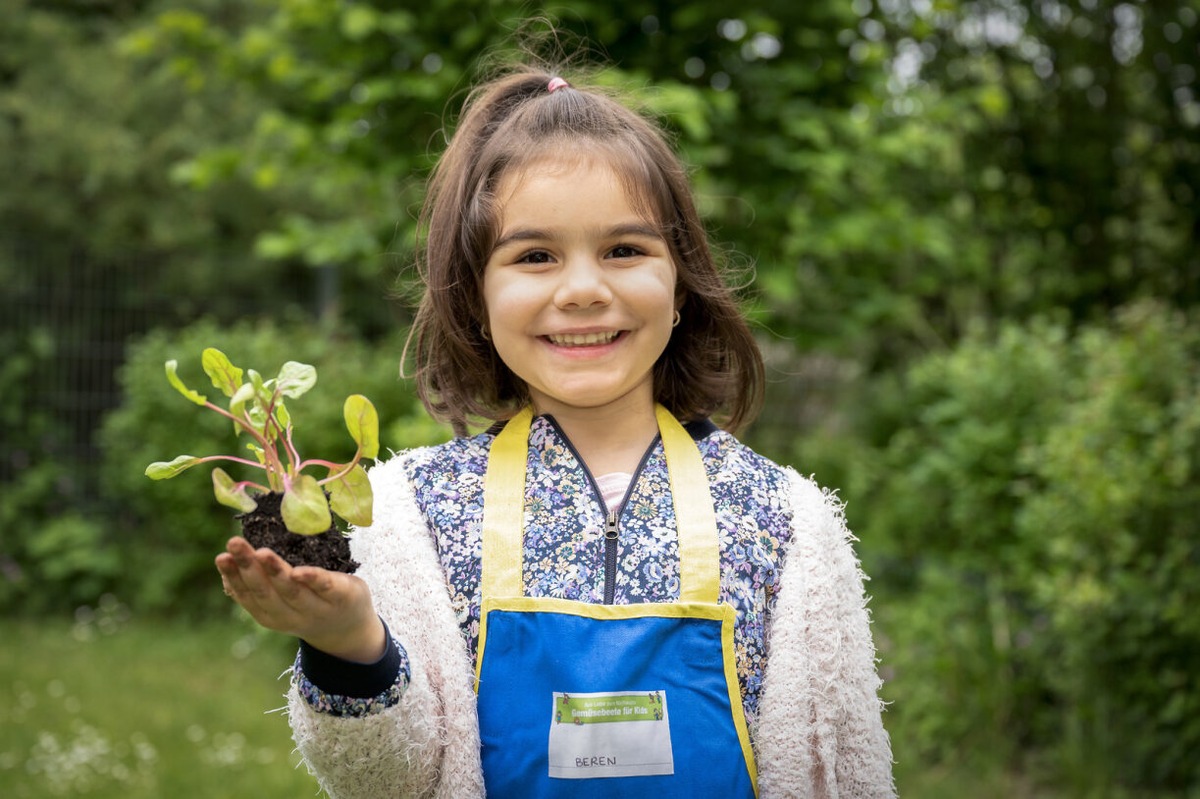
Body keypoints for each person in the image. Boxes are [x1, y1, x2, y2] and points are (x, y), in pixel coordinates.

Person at [215, 64, 895, 798]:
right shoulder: (409, 515)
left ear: (679, 287)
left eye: (624, 250)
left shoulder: (786, 519)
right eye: (535, 256)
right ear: (477, 297)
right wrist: (349, 646)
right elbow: (388, 780)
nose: (582, 289)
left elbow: (839, 771)